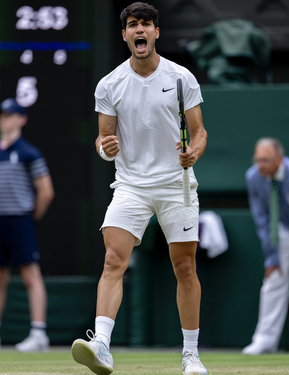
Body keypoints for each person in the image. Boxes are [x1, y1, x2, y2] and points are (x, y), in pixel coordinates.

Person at [71, 2, 207, 375]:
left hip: (175, 184)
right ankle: (101, 345)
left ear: (156, 33)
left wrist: (193, 152)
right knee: (113, 260)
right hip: (130, 185)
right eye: (133, 25)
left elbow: (198, 133)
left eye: (146, 24)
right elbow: (102, 140)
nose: (139, 30)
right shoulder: (110, 83)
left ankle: (190, 354)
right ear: (125, 35)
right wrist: (105, 148)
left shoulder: (181, 78)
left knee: (185, 267)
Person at [0, 98, 54, 352]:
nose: (5, 119)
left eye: (10, 115)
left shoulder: (28, 152)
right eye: (2, 115)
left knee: (30, 275)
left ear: (21, 119)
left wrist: (32, 216)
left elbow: (46, 191)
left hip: (20, 219)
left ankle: (38, 333)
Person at [243, 137, 289, 355]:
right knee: (272, 282)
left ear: (279, 159)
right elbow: (262, 219)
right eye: (258, 160)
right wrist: (272, 257)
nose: (261, 165)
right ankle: (265, 340)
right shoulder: (254, 177)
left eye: (266, 160)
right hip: (283, 231)